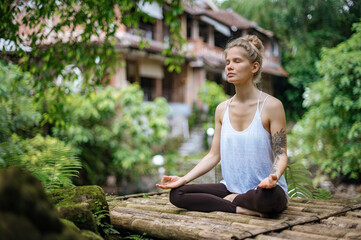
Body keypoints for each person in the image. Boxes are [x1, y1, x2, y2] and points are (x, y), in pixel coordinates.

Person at [156, 35, 288, 217]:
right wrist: (183, 178)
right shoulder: (222, 110)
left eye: (237, 61)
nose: (229, 67)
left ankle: (235, 201)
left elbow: (281, 154)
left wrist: (273, 176)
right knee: (178, 193)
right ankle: (238, 206)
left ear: (254, 67)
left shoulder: (272, 106)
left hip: (264, 191)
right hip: (230, 188)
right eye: (227, 62)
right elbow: (213, 155)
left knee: (270, 199)